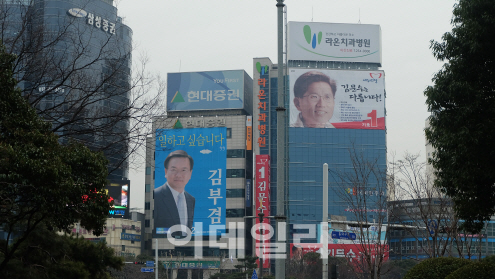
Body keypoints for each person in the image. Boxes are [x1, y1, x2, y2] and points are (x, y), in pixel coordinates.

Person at [154, 150, 195, 237]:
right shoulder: (156, 196)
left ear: (190, 173)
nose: (178, 175)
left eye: (184, 170)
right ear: (166, 172)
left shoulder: (191, 199)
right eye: (174, 169)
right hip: (162, 245)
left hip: (186, 245)